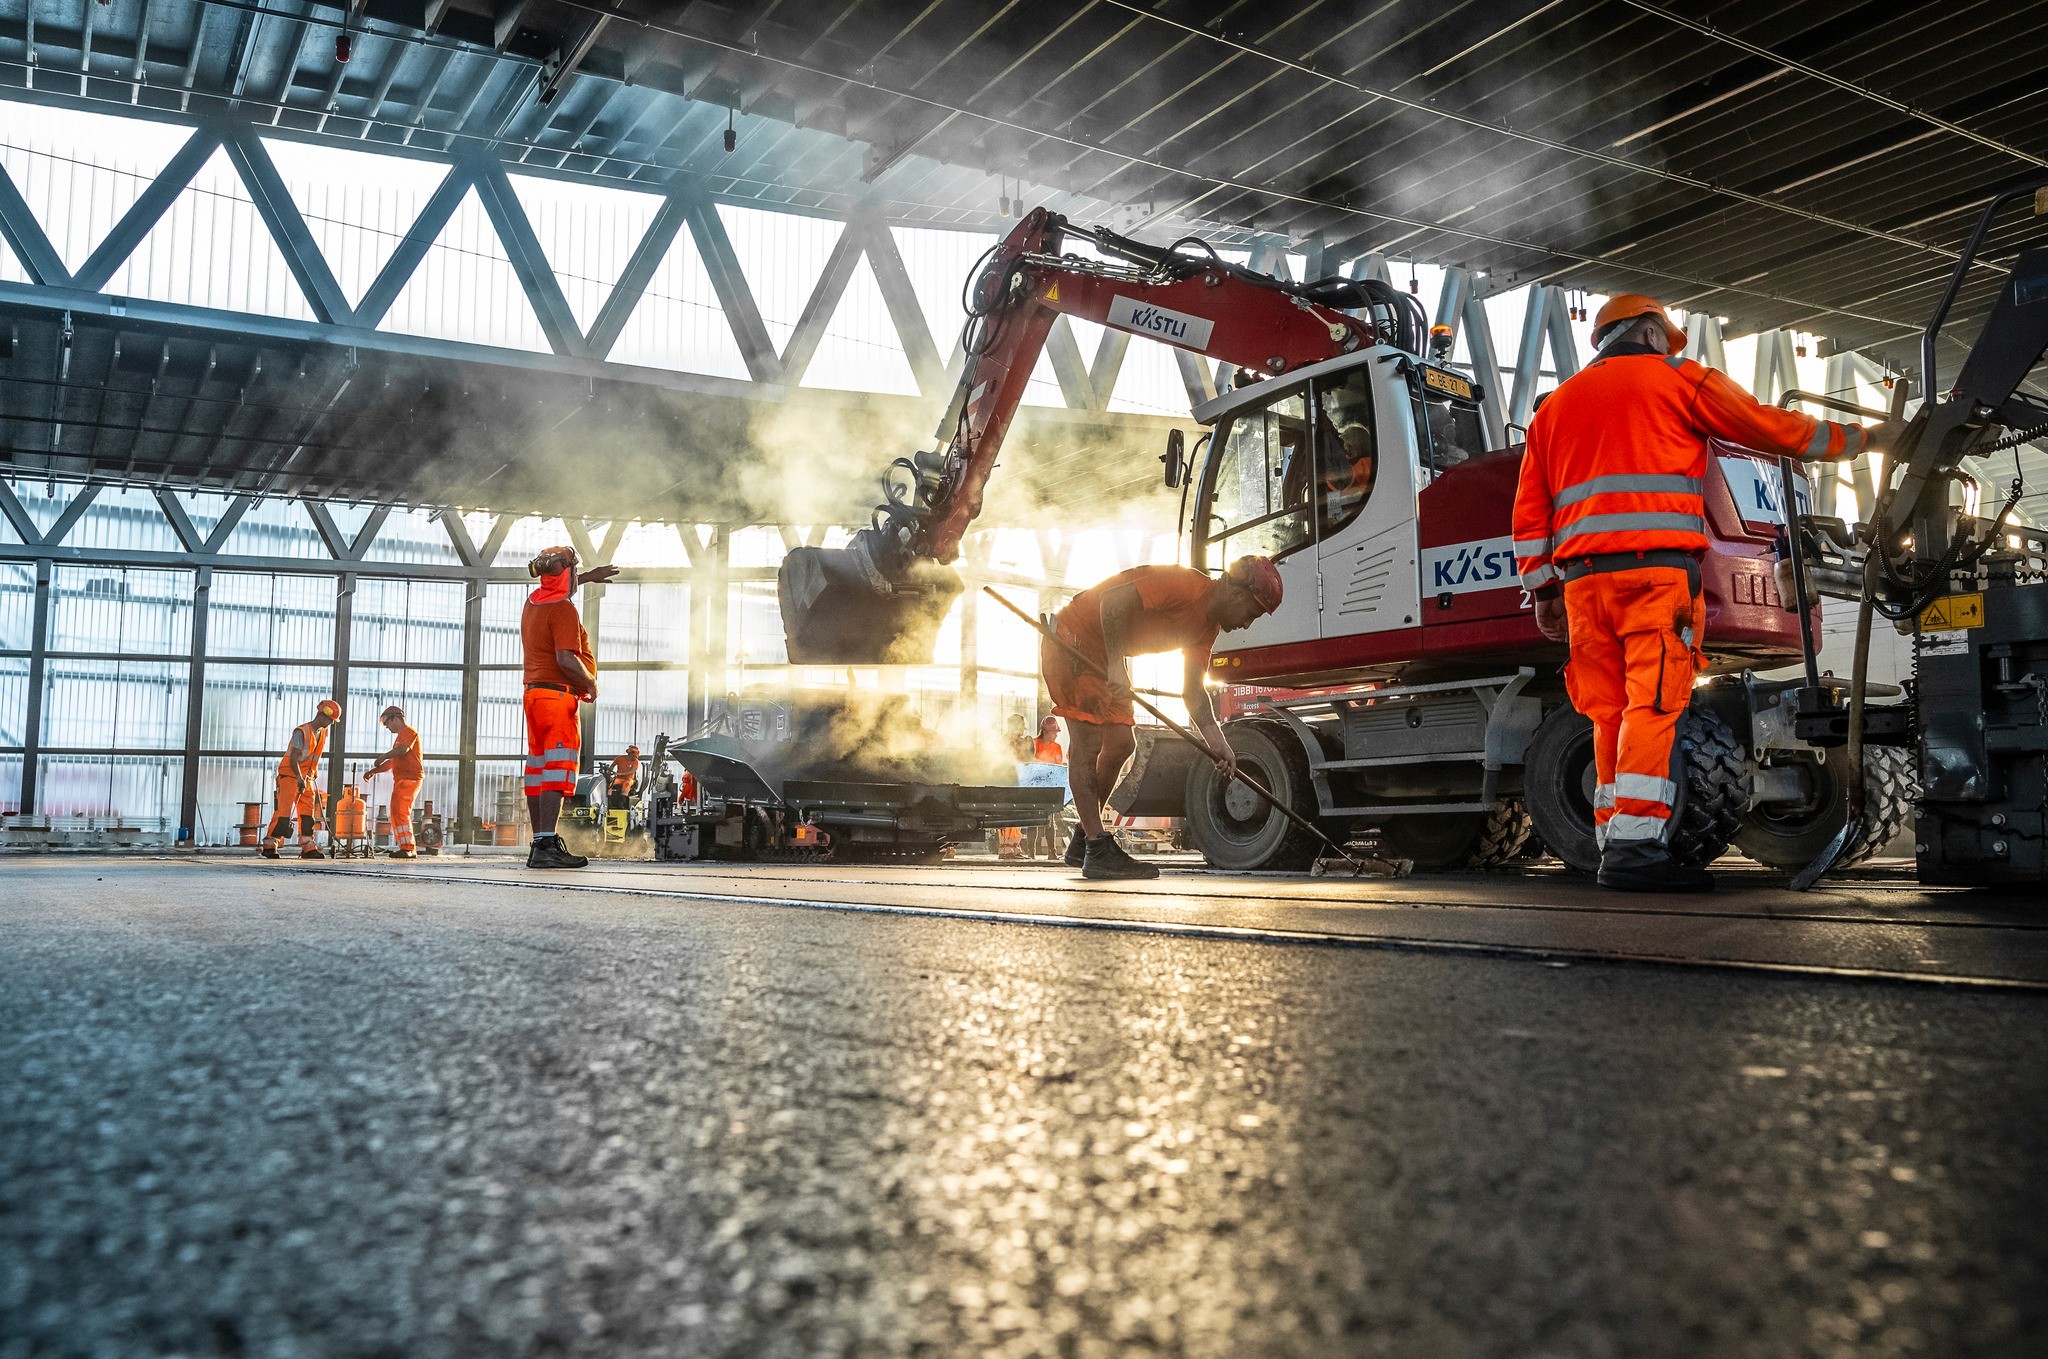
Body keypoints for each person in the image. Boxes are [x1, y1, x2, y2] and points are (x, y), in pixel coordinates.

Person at [1512, 294, 1901, 893]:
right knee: (1654, 704)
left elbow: (1530, 511)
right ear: (1645, 331)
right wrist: (1863, 439)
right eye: (1663, 336)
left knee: (1607, 710)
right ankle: (1637, 852)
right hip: (1654, 575)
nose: (1667, 347)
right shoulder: (1678, 380)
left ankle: (1616, 842)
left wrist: (1542, 590)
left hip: (1583, 587)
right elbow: (1774, 429)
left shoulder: (1554, 408)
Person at [1045, 557, 1282, 880]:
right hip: (1075, 639)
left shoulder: (1205, 630)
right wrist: (1116, 663)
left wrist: (1218, 742)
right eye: (1252, 614)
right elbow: (1113, 601)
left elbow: (1192, 691)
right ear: (1238, 594)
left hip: (1104, 653)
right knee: (1088, 743)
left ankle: (1084, 839)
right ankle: (1098, 849)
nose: (1246, 624)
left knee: (1120, 744)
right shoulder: (1184, 585)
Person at [522, 545, 619, 869]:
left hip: (534, 697)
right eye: (575, 570)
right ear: (566, 573)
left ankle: (539, 843)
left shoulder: (533, 603)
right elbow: (566, 659)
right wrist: (590, 682)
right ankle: (549, 844)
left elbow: (560, 585)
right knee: (557, 772)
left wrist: (587, 577)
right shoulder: (564, 610)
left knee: (537, 771)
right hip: (557, 698)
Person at [261, 699, 339, 859]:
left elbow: (312, 757)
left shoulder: (323, 732)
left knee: (307, 814)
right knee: (283, 813)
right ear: (323, 715)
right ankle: (270, 845)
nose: (331, 724)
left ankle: (308, 847)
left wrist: (309, 775)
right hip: (290, 776)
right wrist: (299, 778)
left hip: (307, 778)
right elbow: (293, 759)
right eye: (330, 720)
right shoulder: (301, 732)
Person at [362, 705, 423, 859]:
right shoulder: (401, 737)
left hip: (409, 779)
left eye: (387, 723)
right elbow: (394, 762)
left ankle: (409, 848)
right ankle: (405, 846)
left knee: (401, 812)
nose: (387, 727)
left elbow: (402, 750)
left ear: (395, 718)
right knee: (397, 813)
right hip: (403, 779)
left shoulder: (409, 732)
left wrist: (383, 756)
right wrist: (374, 771)